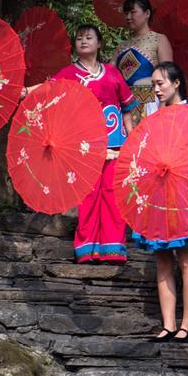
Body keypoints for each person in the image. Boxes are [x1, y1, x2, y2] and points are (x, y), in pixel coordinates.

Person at [46, 25, 137, 263]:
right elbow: (48, 92)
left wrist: (134, 141)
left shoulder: (113, 73)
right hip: (84, 146)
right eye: (79, 38)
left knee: (113, 193)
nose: (83, 41)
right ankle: (86, 247)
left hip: (116, 143)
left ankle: (113, 247)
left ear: (99, 44)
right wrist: (25, 91)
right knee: (88, 195)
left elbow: (127, 110)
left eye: (89, 37)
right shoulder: (67, 74)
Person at [136, 62, 188, 344]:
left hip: (184, 192)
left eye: (160, 84)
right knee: (162, 259)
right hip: (158, 191)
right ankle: (168, 324)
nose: (156, 90)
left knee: (187, 259)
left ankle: (187, 324)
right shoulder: (151, 116)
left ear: (177, 83)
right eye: (153, 85)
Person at [112, 0, 173, 126]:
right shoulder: (121, 46)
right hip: (124, 107)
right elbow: (110, 76)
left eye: (133, 12)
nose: (128, 17)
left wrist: (162, 108)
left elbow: (167, 77)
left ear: (147, 13)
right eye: (126, 13)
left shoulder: (159, 40)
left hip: (151, 104)